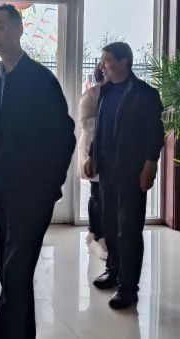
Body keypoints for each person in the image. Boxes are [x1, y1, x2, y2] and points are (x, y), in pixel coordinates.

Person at [0, 4, 75, 338]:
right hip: (4, 188)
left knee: (16, 268)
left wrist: (49, 186)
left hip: (34, 191)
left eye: (0, 26)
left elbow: (65, 136)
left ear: (19, 29)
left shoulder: (40, 79)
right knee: (7, 266)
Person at [84, 42, 164, 310]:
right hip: (107, 169)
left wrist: (150, 165)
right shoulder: (106, 91)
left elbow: (154, 133)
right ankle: (114, 270)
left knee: (128, 229)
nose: (102, 65)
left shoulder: (144, 94)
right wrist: (92, 155)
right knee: (109, 224)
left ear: (123, 61)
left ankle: (128, 288)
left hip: (132, 170)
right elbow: (100, 129)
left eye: (106, 60)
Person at [78, 65, 108, 260]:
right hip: (91, 148)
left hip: (110, 149)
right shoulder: (91, 94)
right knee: (96, 193)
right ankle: (96, 233)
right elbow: (85, 122)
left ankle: (98, 231)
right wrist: (110, 119)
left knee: (104, 193)